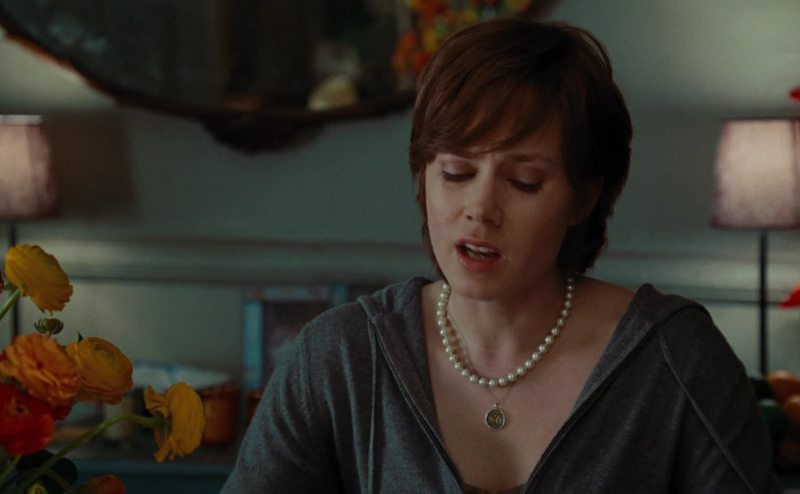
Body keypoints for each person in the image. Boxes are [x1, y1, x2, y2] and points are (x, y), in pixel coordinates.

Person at [221, 17, 780, 493]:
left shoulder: (677, 360)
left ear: (584, 198)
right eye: (456, 172)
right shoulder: (339, 359)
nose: (481, 209)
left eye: (524, 182)